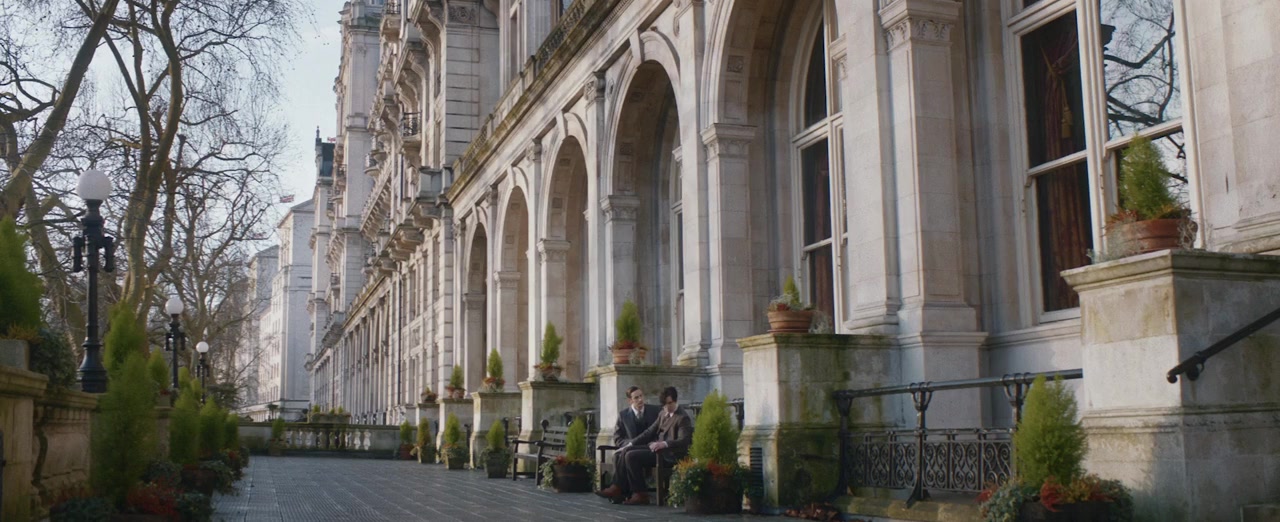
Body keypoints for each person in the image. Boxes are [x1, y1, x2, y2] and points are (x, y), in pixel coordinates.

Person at [595, 386, 692, 506]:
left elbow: (684, 440)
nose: (667, 407)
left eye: (669, 404)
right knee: (626, 451)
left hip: (668, 454)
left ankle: (640, 494)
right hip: (656, 450)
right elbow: (649, 432)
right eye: (664, 405)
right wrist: (630, 444)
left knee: (631, 456)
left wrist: (664, 443)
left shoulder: (682, 417)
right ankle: (618, 487)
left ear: (675, 401)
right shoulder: (663, 413)